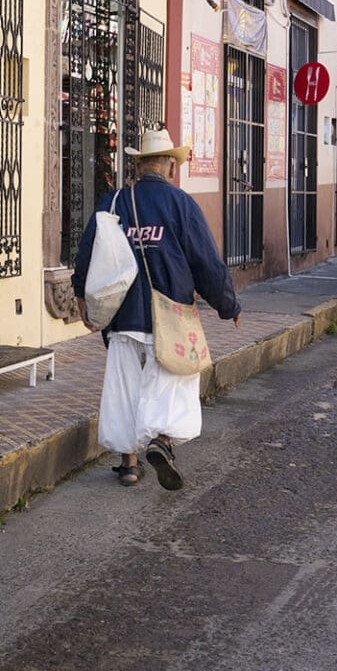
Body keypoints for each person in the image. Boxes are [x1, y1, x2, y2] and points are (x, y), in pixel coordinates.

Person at [72, 129, 240, 490]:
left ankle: (129, 465)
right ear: (168, 165)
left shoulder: (112, 202)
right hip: (170, 316)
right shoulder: (181, 204)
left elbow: (87, 252)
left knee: (123, 388)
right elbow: (206, 262)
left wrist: (81, 296)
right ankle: (161, 443)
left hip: (121, 316)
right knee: (173, 383)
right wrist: (228, 304)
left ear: (138, 165)